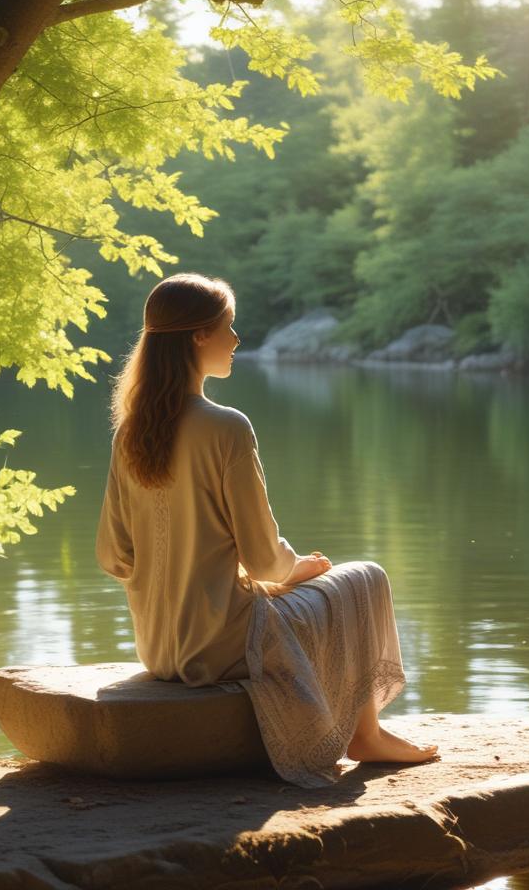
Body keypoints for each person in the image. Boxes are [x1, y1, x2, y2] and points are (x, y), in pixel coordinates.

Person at [95, 272, 439, 787]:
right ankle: (366, 733)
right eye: (229, 327)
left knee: (318, 587)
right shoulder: (227, 427)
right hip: (220, 644)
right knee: (364, 577)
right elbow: (264, 561)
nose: (237, 340)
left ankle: (366, 732)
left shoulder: (131, 432)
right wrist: (300, 570)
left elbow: (114, 556)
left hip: (158, 646)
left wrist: (184, 578)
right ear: (199, 336)